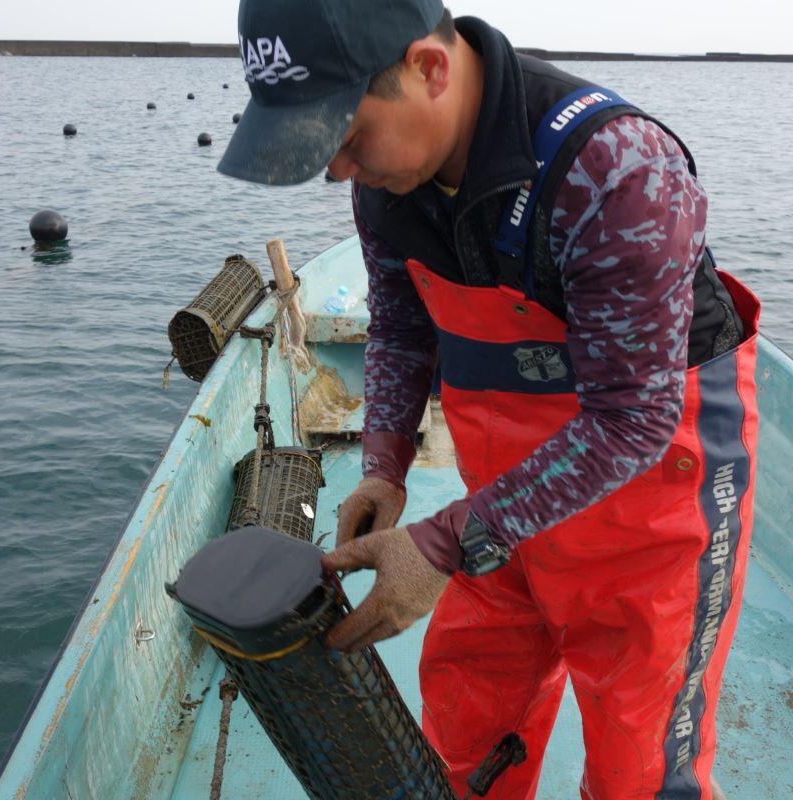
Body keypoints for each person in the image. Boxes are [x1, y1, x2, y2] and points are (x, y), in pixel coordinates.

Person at [217, 1, 759, 797]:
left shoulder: (616, 170)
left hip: (651, 524)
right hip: (503, 508)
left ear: (429, 69)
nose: (335, 168)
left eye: (346, 133)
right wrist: (385, 466)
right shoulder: (386, 184)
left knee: (640, 768)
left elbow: (633, 421)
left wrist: (444, 545)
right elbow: (402, 327)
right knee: (468, 728)